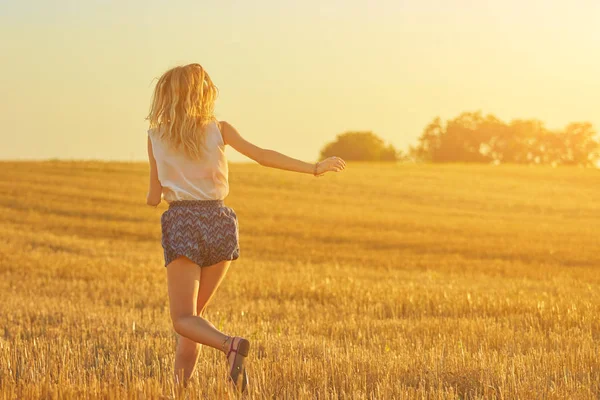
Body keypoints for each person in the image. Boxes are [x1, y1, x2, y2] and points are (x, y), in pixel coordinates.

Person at [145, 63, 346, 393]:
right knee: (193, 322)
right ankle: (178, 391)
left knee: (182, 319)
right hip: (220, 223)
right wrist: (314, 168)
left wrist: (156, 196)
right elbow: (263, 156)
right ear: (204, 94)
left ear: (165, 96)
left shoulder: (155, 137)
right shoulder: (219, 129)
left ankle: (230, 345)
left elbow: (154, 196)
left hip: (182, 223)